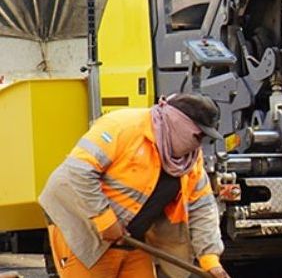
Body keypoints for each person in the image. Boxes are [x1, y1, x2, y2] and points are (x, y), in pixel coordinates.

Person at [39, 94, 230, 278]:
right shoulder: (122, 126)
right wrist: (105, 221)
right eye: (199, 135)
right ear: (180, 124)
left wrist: (210, 260)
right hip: (81, 226)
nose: (200, 144)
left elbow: (202, 207)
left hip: (131, 238)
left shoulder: (189, 161)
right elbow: (79, 170)